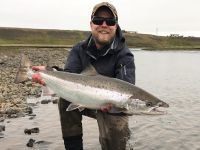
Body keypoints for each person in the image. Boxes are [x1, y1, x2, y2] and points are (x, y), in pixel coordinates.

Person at [32, 2, 135, 150]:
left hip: (113, 107)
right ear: (91, 24)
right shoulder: (79, 49)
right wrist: (50, 72)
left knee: (117, 122)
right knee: (65, 99)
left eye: (110, 21)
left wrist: (112, 105)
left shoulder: (125, 55)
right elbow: (70, 77)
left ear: (116, 26)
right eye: (98, 20)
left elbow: (126, 91)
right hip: (86, 99)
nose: (104, 25)